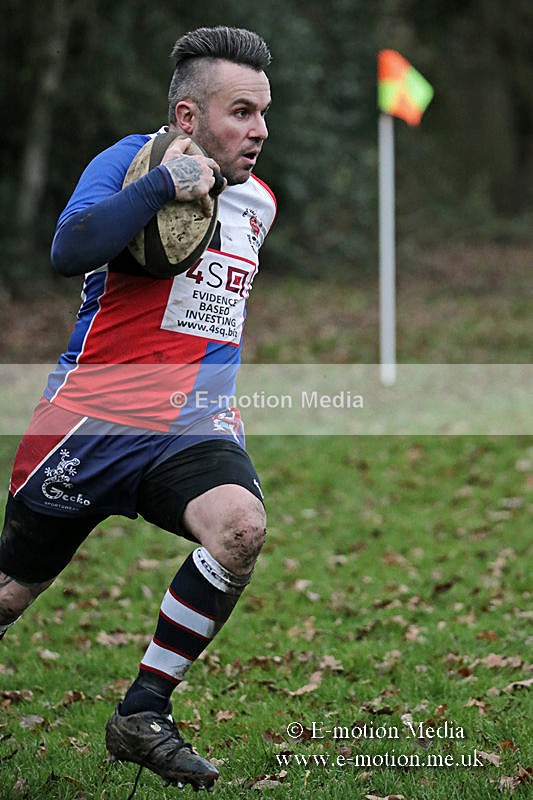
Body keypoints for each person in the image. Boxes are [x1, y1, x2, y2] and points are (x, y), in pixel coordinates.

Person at [0, 26, 276, 792]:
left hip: (191, 427)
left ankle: (142, 712)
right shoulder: (130, 159)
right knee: (12, 592)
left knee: (240, 529)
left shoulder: (259, 201)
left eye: (262, 114)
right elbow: (68, 250)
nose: (258, 132)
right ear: (188, 117)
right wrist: (160, 187)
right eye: (240, 112)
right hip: (89, 425)